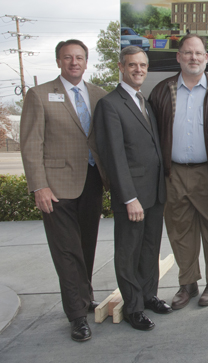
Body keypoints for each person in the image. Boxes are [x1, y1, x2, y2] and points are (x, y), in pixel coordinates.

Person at [20, 39, 107, 342]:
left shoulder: (98, 95)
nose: (74, 62)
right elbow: (31, 144)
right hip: (56, 188)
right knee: (66, 252)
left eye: (79, 57)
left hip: (92, 182)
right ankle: (77, 315)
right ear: (58, 61)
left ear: (86, 61)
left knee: (86, 247)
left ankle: (84, 297)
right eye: (68, 58)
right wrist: (38, 185)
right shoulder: (40, 94)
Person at [148, 34, 208, 310]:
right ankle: (188, 283)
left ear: (206, 58)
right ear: (178, 57)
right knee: (180, 232)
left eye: (198, 53)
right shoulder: (161, 91)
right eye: (187, 53)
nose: (193, 58)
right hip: (174, 174)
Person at [94, 46, 171, 331]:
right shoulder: (110, 104)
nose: (138, 70)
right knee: (129, 252)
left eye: (142, 65)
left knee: (150, 248)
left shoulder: (144, 102)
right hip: (133, 198)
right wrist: (129, 198)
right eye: (132, 65)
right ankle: (133, 308)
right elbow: (113, 156)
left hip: (155, 192)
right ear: (121, 68)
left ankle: (149, 295)